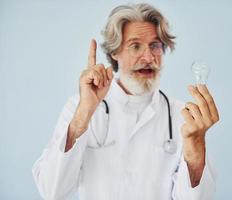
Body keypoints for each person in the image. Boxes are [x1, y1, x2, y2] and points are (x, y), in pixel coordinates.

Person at [32, 3, 219, 200]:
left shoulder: (184, 116)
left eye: (155, 45)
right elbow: (51, 190)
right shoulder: (80, 107)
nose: (148, 57)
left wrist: (196, 143)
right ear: (115, 51)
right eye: (135, 45)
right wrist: (83, 115)